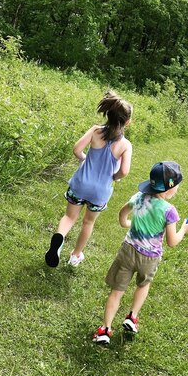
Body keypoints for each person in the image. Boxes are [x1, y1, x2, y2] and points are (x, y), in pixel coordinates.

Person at [92, 161, 188, 344]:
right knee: (143, 284)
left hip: (128, 251)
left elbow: (123, 215)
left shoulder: (139, 197)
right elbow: (172, 242)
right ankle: (132, 316)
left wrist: (127, 223)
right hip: (149, 258)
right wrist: (184, 230)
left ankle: (104, 330)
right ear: (170, 189)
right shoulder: (169, 211)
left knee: (117, 291)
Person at [45, 91, 133, 268]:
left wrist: (86, 159)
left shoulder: (95, 131)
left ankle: (59, 238)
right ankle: (75, 255)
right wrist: (113, 177)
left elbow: (77, 149)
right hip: (100, 191)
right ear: (127, 122)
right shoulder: (125, 145)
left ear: (108, 114)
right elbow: (124, 171)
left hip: (80, 184)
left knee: (69, 217)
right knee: (88, 222)